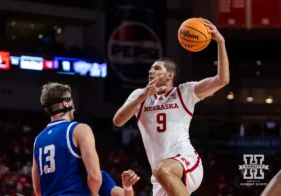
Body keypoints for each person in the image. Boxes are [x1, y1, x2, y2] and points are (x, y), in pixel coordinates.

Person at [113, 18, 229, 196]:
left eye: (156, 68)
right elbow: (118, 121)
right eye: (150, 69)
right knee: (160, 171)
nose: (150, 71)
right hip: (160, 175)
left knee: (161, 169)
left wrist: (220, 42)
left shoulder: (184, 92)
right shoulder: (139, 95)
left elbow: (222, 80)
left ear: (169, 76)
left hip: (185, 161)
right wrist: (143, 96)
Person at [32, 82, 102, 196]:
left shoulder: (38, 140)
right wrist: (95, 194)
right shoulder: (79, 130)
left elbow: (37, 188)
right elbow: (94, 176)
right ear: (65, 103)